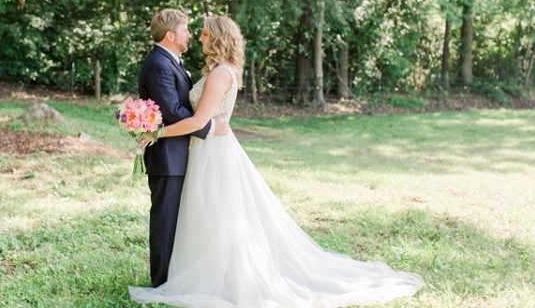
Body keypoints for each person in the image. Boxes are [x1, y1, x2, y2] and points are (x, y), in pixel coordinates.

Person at [130, 16, 424, 307]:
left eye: (206, 34)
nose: (199, 37)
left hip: (212, 152)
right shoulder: (219, 70)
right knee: (211, 215)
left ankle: (223, 278)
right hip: (206, 149)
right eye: (197, 32)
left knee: (217, 215)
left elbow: (197, 121)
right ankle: (199, 273)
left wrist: (156, 133)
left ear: (218, 39)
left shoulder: (220, 74)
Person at [138, 9, 230, 288]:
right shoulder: (159, 64)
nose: (190, 35)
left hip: (181, 154)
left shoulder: (172, 62)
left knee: (179, 221)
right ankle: (162, 284)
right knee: (165, 222)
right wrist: (208, 126)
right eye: (185, 30)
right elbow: (173, 111)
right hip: (168, 158)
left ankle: (176, 278)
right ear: (170, 35)